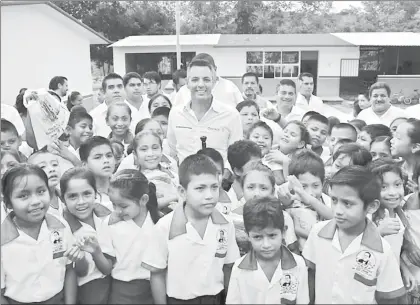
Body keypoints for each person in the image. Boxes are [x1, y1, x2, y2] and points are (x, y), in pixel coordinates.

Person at [142, 154, 240, 304]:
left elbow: (228, 267)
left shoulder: (225, 224)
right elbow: (157, 274)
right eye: (200, 188)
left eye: (214, 187)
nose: (209, 196)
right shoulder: (165, 227)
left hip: (215, 298)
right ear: (182, 192)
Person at [302, 166, 406, 304]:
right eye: (334, 200)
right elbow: (310, 277)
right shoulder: (318, 233)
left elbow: (390, 298)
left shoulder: (382, 251)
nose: (338, 210)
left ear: (371, 207)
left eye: (347, 203)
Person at [1, 164, 78, 304]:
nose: (36, 201)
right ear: (8, 203)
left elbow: (69, 269)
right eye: (23, 196)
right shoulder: (3, 241)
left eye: (41, 191)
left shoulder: (60, 226)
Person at [226, 197, 309, 304]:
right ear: (248, 235)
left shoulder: (298, 265)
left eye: (272, 235)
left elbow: (303, 301)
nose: (266, 245)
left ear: (283, 232)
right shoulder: (239, 269)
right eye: (257, 237)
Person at [167, 59, 243, 165]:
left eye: (206, 80)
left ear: (213, 83)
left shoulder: (231, 115)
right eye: (195, 80)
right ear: (187, 84)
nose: (201, 84)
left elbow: (236, 155)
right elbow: (173, 151)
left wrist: (224, 175)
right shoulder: (175, 114)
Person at [60, 168, 115, 304]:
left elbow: (107, 268)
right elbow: (81, 273)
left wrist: (96, 252)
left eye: (87, 194)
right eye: (73, 196)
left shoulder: (104, 218)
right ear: (63, 199)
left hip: (109, 287)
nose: (81, 202)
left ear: (95, 193)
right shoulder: (62, 228)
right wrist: (80, 259)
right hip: (83, 293)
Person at [107, 170, 161, 304]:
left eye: (123, 206)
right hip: (121, 291)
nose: (117, 211)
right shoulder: (111, 224)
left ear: (143, 200)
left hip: (153, 289)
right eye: (114, 204)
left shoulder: (159, 223)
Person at [230, 160, 298, 256]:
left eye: (263, 188)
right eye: (250, 187)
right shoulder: (231, 219)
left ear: (272, 191)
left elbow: (292, 251)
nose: (256, 193)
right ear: (242, 189)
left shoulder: (283, 217)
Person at [279, 150, 333, 251]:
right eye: (303, 187)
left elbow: (333, 217)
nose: (310, 192)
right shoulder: (292, 201)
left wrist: (312, 201)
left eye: (315, 186)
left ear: (323, 183)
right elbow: (295, 228)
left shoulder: (326, 201)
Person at [173, 53, 243, 109]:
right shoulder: (183, 91)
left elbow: (242, 110)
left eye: (207, 70)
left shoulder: (229, 87)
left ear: (215, 69)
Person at [132, 130, 178, 212]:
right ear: (135, 154)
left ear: (161, 150)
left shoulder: (173, 176)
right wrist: (176, 197)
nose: (150, 154)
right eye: (144, 149)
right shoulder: (132, 181)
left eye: (155, 148)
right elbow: (145, 205)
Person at [79, 136, 116, 211]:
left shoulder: (125, 186)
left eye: (109, 156)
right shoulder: (81, 194)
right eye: (98, 157)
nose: (106, 160)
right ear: (84, 165)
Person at [28, 150, 64, 219]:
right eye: (43, 166)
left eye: (54, 164)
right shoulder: (33, 204)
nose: (52, 169)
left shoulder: (66, 196)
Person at [89, 73, 126, 137]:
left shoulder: (133, 111)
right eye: (111, 87)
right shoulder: (93, 116)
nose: (116, 90)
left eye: (119, 86)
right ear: (104, 92)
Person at [391, 119, 420, 183]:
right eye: (393, 136)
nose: (391, 141)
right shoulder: (393, 168)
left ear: (415, 147)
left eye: (398, 138)